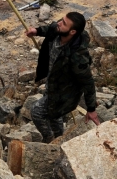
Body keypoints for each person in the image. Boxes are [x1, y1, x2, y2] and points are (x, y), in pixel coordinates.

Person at [24, 12, 100, 143]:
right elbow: (51, 28)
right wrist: (36, 31)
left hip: (64, 94)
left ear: (72, 32)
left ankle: (50, 139)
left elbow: (88, 82)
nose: (59, 23)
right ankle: (60, 138)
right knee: (54, 115)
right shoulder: (59, 31)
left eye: (64, 23)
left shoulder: (78, 57)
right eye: (62, 20)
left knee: (37, 111)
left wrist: (91, 109)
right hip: (54, 83)